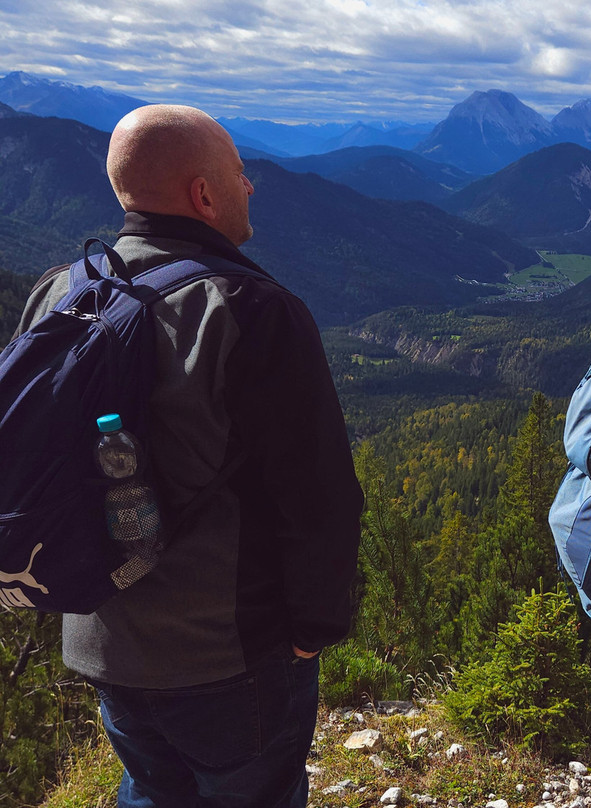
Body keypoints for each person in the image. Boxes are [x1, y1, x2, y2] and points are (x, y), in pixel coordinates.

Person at [12, 105, 364, 807]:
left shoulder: (58, 292)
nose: (251, 186)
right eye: (239, 173)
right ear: (203, 194)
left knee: (149, 786)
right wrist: (315, 631)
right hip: (227, 650)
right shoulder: (250, 306)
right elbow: (318, 494)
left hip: (100, 635)